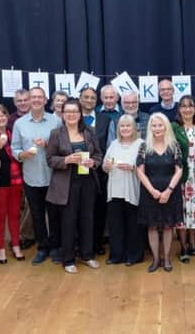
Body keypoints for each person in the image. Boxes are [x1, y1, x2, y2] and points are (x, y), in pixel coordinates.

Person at [46, 98, 102, 274]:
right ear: (63, 114)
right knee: (68, 221)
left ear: (80, 114)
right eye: (68, 111)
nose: (71, 115)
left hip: (88, 182)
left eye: (75, 112)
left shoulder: (90, 131)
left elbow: (99, 155)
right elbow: (49, 159)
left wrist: (93, 162)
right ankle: (68, 259)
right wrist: (66, 160)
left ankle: (87, 255)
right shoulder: (56, 133)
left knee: (88, 219)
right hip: (66, 184)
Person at [11, 87, 63, 265]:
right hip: (31, 177)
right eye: (33, 97)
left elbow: (63, 146)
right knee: (37, 215)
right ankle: (42, 248)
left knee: (55, 214)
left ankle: (56, 247)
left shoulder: (55, 121)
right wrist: (22, 155)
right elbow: (15, 148)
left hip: (53, 177)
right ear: (29, 100)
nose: (36, 100)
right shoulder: (20, 123)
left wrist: (48, 144)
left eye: (40, 97)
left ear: (45, 100)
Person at [136, 113, 183, 272]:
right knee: (153, 227)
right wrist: (153, 191)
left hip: (170, 192)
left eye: (160, 125)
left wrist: (168, 191)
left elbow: (179, 170)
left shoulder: (174, 145)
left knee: (169, 226)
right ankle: (156, 259)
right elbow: (140, 171)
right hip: (150, 193)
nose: (157, 128)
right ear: (150, 128)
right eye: (154, 125)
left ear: (166, 127)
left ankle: (167, 258)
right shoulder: (144, 146)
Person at [172, 95, 195, 262]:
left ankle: (194, 246)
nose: (187, 109)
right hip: (182, 175)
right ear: (179, 109)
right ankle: (183, 247)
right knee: (182, 212)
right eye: (184, 106)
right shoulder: (174, 127)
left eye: (190, 106)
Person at [102, 115, 144, 266]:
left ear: (134, 128)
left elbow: (147, 168)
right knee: (115, 225)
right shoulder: (113, 144)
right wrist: (106, 166)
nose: (125, 129)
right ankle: (116, 255)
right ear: (118, 129)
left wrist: (132, 168)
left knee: (133, 225)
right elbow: (105, 165)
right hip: (114, 190)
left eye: (128, 126)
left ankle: (134, 256)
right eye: (122, 126)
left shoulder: (141, 144)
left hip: (132, 190)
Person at [0, 104, 25, 264]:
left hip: (16, 180)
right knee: (0, 215)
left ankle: (16, 245)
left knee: (15, 214)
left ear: (7, 116)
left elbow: (19, 154)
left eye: (2, 115)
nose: (0, 118)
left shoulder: (13, 133)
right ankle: (1, 249)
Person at [79, 86, 113, 255]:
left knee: (99, 210)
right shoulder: (72, 117)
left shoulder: (105, 120)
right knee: (79, 210)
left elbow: (109, 146)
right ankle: (80, 245)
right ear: (80, 99)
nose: (89, 101)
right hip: (76, 172)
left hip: (99, 173)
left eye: (92, 98)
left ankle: (97, 243)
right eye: (86, 97)